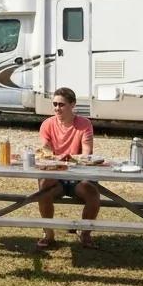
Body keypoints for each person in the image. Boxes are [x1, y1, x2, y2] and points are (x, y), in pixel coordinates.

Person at [35, 86, 99, 249]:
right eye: (55, 104)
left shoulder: (84, 124)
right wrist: (54, 157)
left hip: (78, 176)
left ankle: (85, 233)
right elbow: (45, 150)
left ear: (73, 105)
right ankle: (48, 233)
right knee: (43, 188)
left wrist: (66, 158)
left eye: (61, 104)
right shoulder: (47, 124)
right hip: (56, 175)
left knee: (92, 193)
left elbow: (87, 153)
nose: (57, 108)